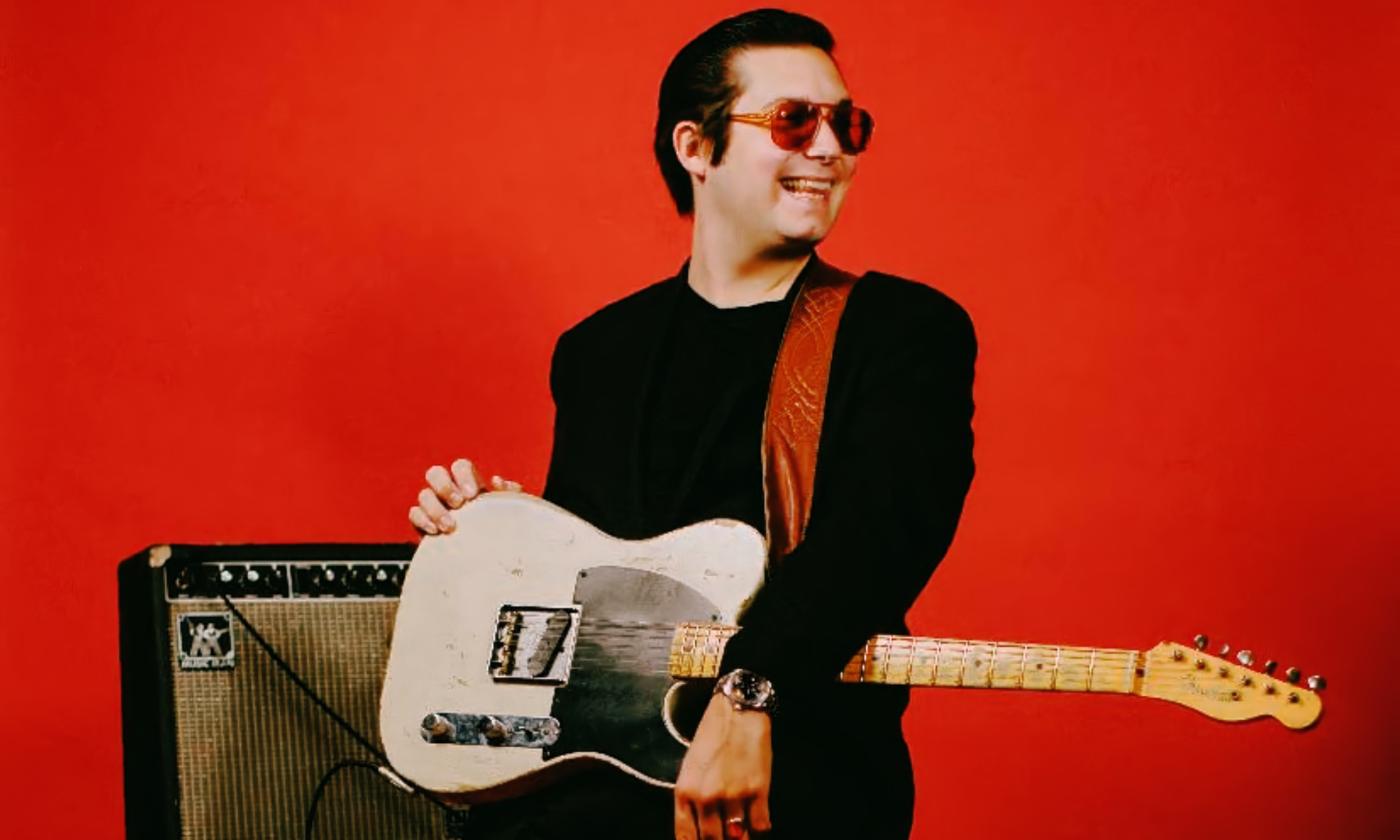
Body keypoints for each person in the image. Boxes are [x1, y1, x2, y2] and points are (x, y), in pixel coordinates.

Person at [407, 9, 976, 840]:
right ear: (695, 147)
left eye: (846, 124)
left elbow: (879, 540)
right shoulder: (599, 352)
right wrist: (500, 535)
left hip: (790, 782)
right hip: (588, 789)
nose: (829, 149)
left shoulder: (902, 331)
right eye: (793, 120)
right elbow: (599, 582)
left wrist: (751, 695)